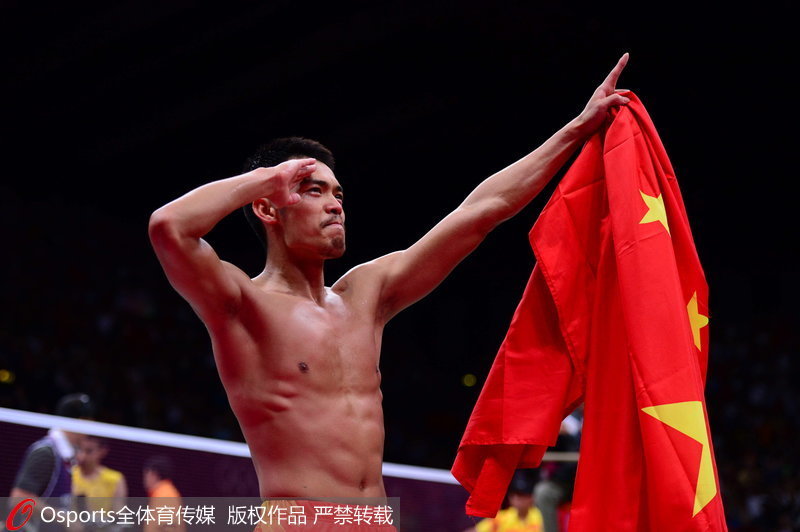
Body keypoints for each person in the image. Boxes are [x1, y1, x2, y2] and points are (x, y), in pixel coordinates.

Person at [148, 54, 630, 500]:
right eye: (313, 191)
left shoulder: (364, 295)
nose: (335, 205)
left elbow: (482, 212)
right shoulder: (242, 305)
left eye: (338, 194)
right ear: (267, 208)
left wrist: (576, 129)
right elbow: (169, 227)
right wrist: (269, 178)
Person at [463, 471, 544, 532]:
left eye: (523, 495)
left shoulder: (540, 517)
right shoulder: (501, 518)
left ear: (531, 497)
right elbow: (476, 530)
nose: (518, 499)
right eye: (515, 494)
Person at [72, 436, 128, 512]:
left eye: (89, 451)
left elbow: (119, 511)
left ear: (102, 451)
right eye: (80, 450)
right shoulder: (69, 473)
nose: (83, 456)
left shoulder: (115, 479)